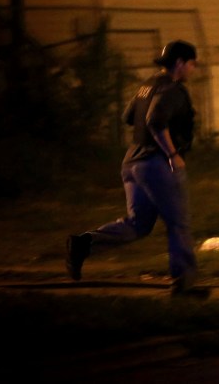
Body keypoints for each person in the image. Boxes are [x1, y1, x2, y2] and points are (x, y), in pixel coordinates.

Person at [65, 39, 209, 298]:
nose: (193, 69)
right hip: (157, 164)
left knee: (138, 223)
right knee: (179, 224)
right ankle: (184, 285)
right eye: (191, 63)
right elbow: (155, 121)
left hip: (133, 162)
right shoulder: (172, 90)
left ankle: (84, 244)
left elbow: (129, 117)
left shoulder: (148, 85)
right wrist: (172, 153)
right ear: (179, 63)